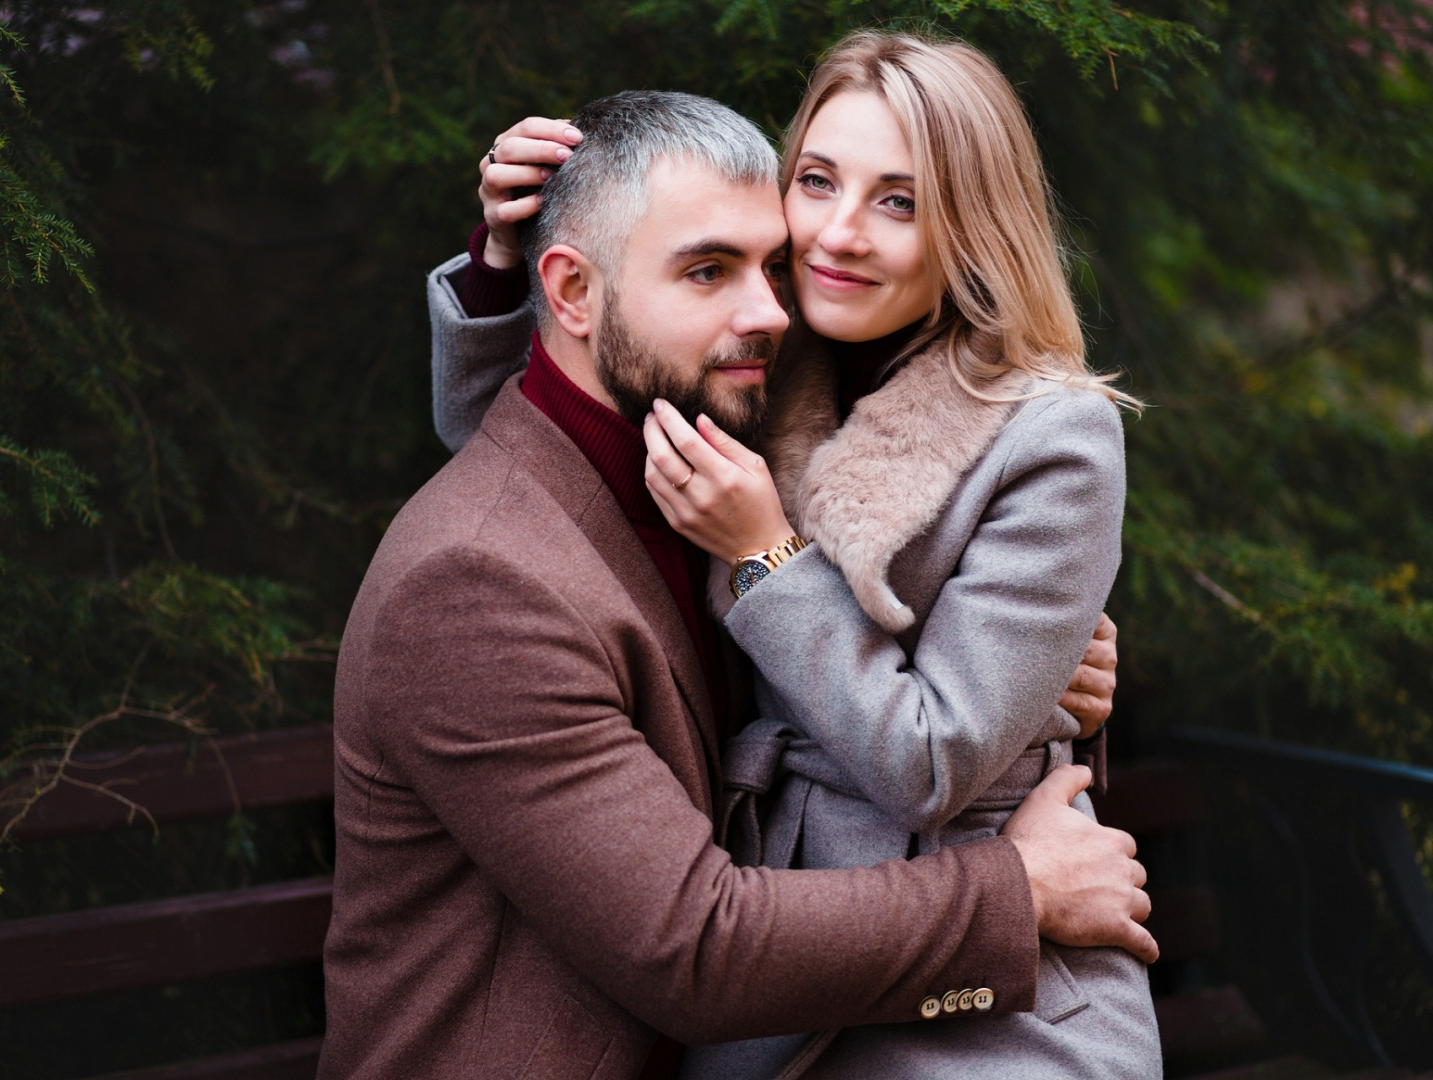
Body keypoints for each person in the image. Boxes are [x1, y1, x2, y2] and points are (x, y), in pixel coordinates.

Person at [322, 89, 1152, 1080]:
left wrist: (1041, 665)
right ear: (575, 294)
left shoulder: (707, 455)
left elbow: (529, 424)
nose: (768, 313)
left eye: (770, 265)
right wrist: (1017, 893)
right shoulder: (477, 585)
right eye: (708, 270)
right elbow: (698, 955)